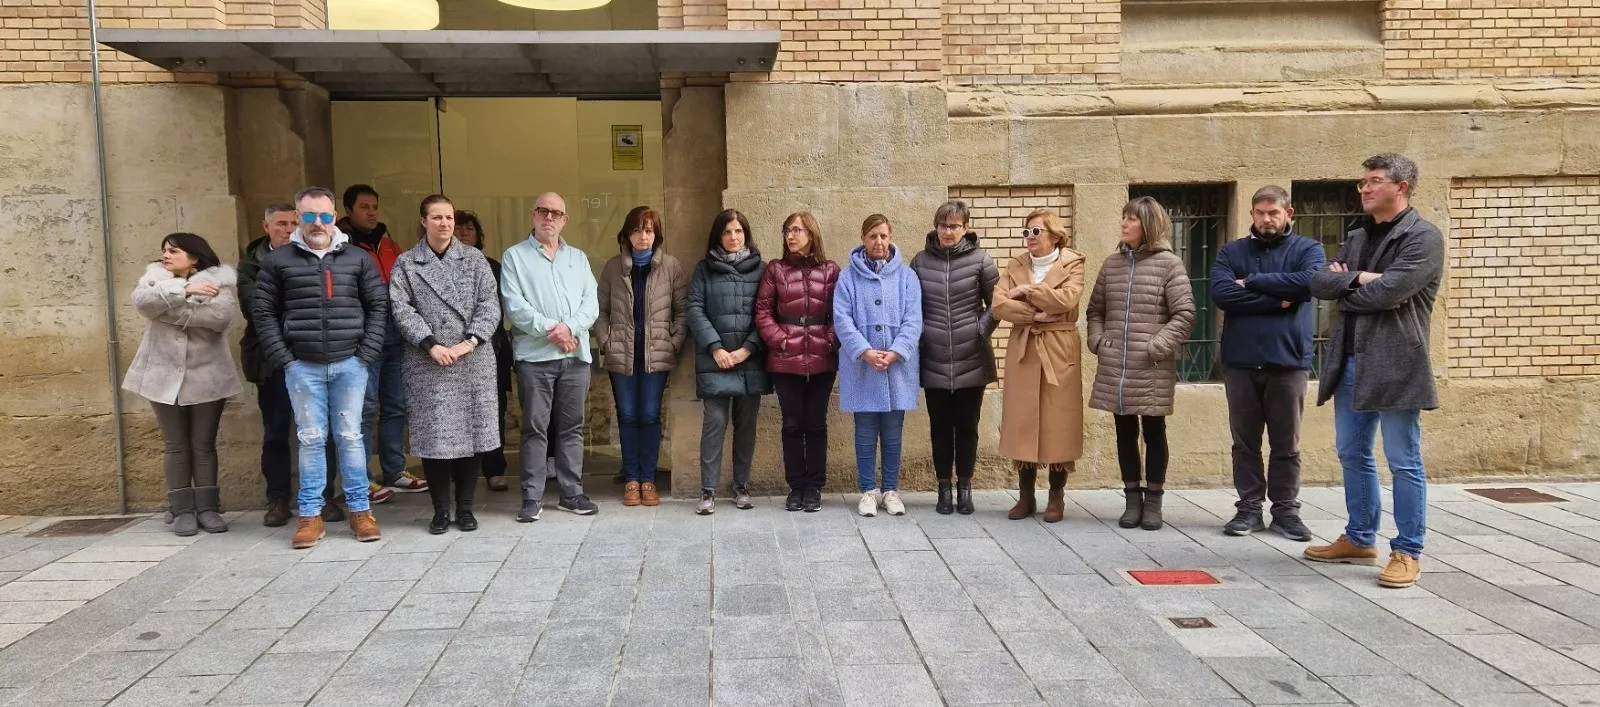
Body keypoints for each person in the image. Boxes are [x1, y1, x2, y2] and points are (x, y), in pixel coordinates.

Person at [1305, 153, 1443, 590]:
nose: (1363, 188)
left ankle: (1407, 551)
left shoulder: (1423, 238)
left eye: (1374, 181)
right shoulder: (1358, 236)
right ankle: (1360, 538)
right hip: (1349, 362)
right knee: (1351, 451)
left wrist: (1351, 284)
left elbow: (1390, 293)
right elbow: (1319, 283)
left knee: (1404, 460)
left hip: (1398, 364)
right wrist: (1364, 279)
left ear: (1401, 187)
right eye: (1362, 182)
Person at [253, 186, 388, 548]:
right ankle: (310, 516)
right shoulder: (278, 261)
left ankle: (361, 511)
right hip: (302, 366)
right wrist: (286, 360)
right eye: (309, 215)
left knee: (351, 438)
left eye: (325, 216)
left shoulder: (357, 258)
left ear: (333, 217)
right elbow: (263, 313)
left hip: (350, 363)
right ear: (298, 217)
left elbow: (378, 306)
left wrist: (366, 354)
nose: (318, 223)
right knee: (311, 440)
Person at [1210, 186, 1325, 541]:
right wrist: (1279, 300)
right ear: (1251, 215)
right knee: (1244, 442)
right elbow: (1221, 293)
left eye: (1273, 213)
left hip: (1287, 361)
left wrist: (1255, 282)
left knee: (1285, 442)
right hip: (1240, 361)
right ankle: (1248, 509)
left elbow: (1309, 282)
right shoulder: (1231, 252)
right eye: (1260, 213)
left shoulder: (1308, 249)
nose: (1266, 219)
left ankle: (1286, 511)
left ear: (1289, 213)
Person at [389, 195, 501, 534]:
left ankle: (465, 509)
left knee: (470, 435)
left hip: (472, 359)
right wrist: (430, 344)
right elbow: (401, 308)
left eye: (449, 217)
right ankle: (440, 511)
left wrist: (470, 341)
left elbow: (490, 304)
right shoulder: (407, 263)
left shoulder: (474, 259)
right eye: (437, 217)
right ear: (423, 221)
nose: (445, 223)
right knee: (435, 440)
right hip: (428, 362)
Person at [1086, 197, 1196, 531]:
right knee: (1123, 432)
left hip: (1150, 366)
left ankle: (1155, 503)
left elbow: (1185, 313)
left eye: (1130, 219)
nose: (1123, 223)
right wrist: (1098, 341)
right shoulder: (1111, 264)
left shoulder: (1169, 265)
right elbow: (1095, 311)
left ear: (1147, 224)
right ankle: (1132, 500)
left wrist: (1156, 345)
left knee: (1153, 431)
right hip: (1116, 367)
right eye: (1123, 217)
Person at [125, 233, 243, 537]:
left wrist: (167, 308)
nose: (165, 255)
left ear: (194, 256)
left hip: (208, 376)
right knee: (175, 444)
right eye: (164, 250)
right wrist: (185, 289)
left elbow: (219, 316)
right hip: (161, 376)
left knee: (203, 444)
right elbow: (142, 303)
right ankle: (181, 510)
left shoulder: (221, 281)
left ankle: (207, 508)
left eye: (173, 251)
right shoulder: (153, 279)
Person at [501, 192, 600, 522]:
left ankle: (572, 492)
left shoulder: (579, 258)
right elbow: (515, 306)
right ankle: (532, 496)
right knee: (534, 428)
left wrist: (569, 327)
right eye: (544, 211)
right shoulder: (515, 257)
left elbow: (591, 304)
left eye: (557, 213)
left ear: (565, 220)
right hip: (535, 358)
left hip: (576, 357)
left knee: (572, 427)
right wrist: (552, 330)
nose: (549, 218)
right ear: (533, 214)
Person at [992, 210, 1086, 523]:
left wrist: (1028, 291)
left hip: (1059, 351)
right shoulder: (1016, 264)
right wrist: (1036, 313)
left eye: (1036, 231)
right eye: (1026, 233)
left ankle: (1056, 497)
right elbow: (999, 305)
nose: (1030, 238)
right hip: (1024, 348)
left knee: (1058, 423)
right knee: (1023, 421)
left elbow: (1067, 301)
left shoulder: (1073, 262)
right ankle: (1026, 496)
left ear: (1054, 235)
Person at [338, 184, 426, 501]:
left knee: (396, 406)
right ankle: (362, 480)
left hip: (396, 336)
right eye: (364, 207)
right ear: (348, 210)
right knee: (364, 409)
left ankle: (394, 470)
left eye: (374, 206)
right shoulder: (341, 248)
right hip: (363, 339)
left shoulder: (391, 245)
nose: (371, 212)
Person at [597, 206, 689, 508]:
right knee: (627, 415)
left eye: (649, 230)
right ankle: (632, 479)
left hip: (656, 354)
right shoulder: (613, 267)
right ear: (627, 234)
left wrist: (673, 342)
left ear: (656, 235)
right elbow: (601, 312)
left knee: (649, 415)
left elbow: (681, 311)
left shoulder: (671, 267)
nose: (643, 236)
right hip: (622, 353)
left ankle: (648, 479)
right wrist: (606, 342)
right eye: (637, 230)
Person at [911, 200, 999, 516]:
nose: (949, 232)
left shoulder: (982, 261)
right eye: (943, 225)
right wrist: (922, 334)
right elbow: (912, 307)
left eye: (955, 226)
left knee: (967, 426)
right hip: (933, 357)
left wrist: (979, 332)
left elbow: (996, 305)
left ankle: (965, 487)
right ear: (936, 227)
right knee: (939, 427)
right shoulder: (920, 262)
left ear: (965, 228)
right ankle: (944, 488)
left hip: (971, 357)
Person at [835, 215, 923, 518]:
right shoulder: (847, 277)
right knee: (864, 430)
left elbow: (914, 319)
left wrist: (896, 351)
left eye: (883, 236)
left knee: (893, 431)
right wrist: (864, 351)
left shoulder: (907, 277)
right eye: (873, 236)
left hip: (896, 368)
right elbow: (842, 319)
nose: (879, 242)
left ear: (891, 236)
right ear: (863, 238)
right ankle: (868, 491)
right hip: (862, 366)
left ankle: (890, 490)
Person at [755, 212, 840, 513]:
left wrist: (830, 340)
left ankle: (814, 487)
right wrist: (780, 339)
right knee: (792, 424)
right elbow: (763, 311)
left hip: (822, 358)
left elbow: (841, 312)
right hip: (785, 359)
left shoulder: (830, 270)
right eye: (787, 230)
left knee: (816, 424)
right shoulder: (775, 270)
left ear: (811, 234)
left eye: (797, 230)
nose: (790, 236)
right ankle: (796, 487)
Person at [689, 209, 770, 515]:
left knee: (746, 425)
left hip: (750, 362)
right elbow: (695, 309)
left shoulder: (762, 270)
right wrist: (716, 347)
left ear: (746, 235)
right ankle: (707, 490)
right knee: (715, 423)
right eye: (727, 232)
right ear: (718, 236)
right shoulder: (703, 270)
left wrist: (748, 348)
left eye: (738, 231)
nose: (733, 237)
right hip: (716, 362)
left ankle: (741, 486)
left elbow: (767, 313)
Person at [238, 203, 300, 527]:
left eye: (293, 223)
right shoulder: (251, 265)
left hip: (309, 355)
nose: (288, 230)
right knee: (276, 432)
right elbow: (255, 309)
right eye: (281, 224)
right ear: (266, 226)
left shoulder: (311, 258)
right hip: (271, 359)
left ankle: (323, 498)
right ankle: (277, 498)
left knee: (317, 432)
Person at [454, 210, 516, 492]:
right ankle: (458, 472)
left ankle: (494, 469)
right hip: (451, 352)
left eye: (469, 228)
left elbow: (499, 308)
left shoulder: (492, 266)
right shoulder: (437, 266)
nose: (463, 233)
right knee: (454, 413)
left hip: (491, 347)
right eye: (458, 228)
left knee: (493, 411)